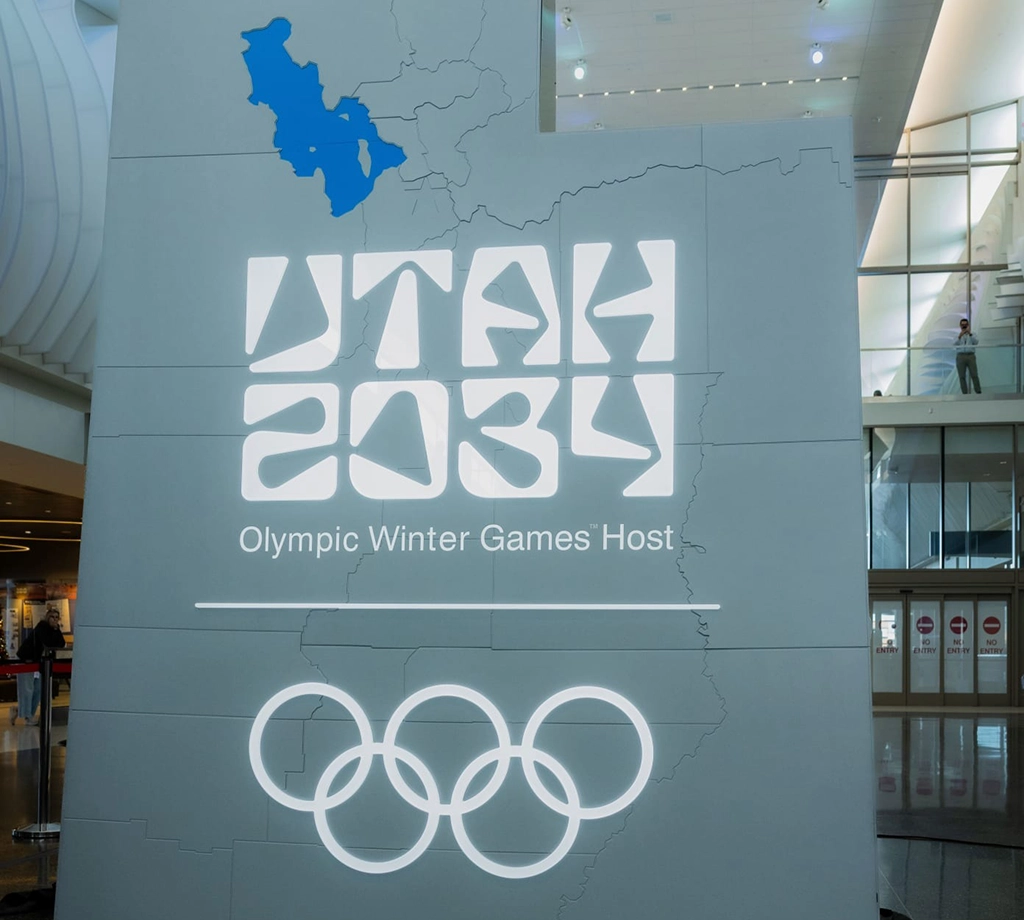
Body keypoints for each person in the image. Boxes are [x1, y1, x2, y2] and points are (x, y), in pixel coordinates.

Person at [12, 607, 66, 726]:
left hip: (37, 662)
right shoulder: (42, 627)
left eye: (57, 617)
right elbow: (47, 642)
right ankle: (27, 716)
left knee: (38, 689)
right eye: (52, 617)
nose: (55, 620)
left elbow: (61, 643)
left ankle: (22, 711)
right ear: (48, 617)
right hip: (25, 660)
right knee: (27, 688)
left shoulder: (54, 629)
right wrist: (54, 633)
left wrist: (57, 630)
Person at [955, 318, 981, 394]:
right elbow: (954, 343)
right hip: (960, 356)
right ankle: (965, 393)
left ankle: (978, 391)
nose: (964, 326)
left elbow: (976, 342)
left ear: (968, 325)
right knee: (962, 376)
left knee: (974, 374)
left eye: (965, 325)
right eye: (962, 325)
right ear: (960, 326)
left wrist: (969, 333)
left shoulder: (972, 334)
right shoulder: (957, 335)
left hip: (970, 356)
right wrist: (960, 336)